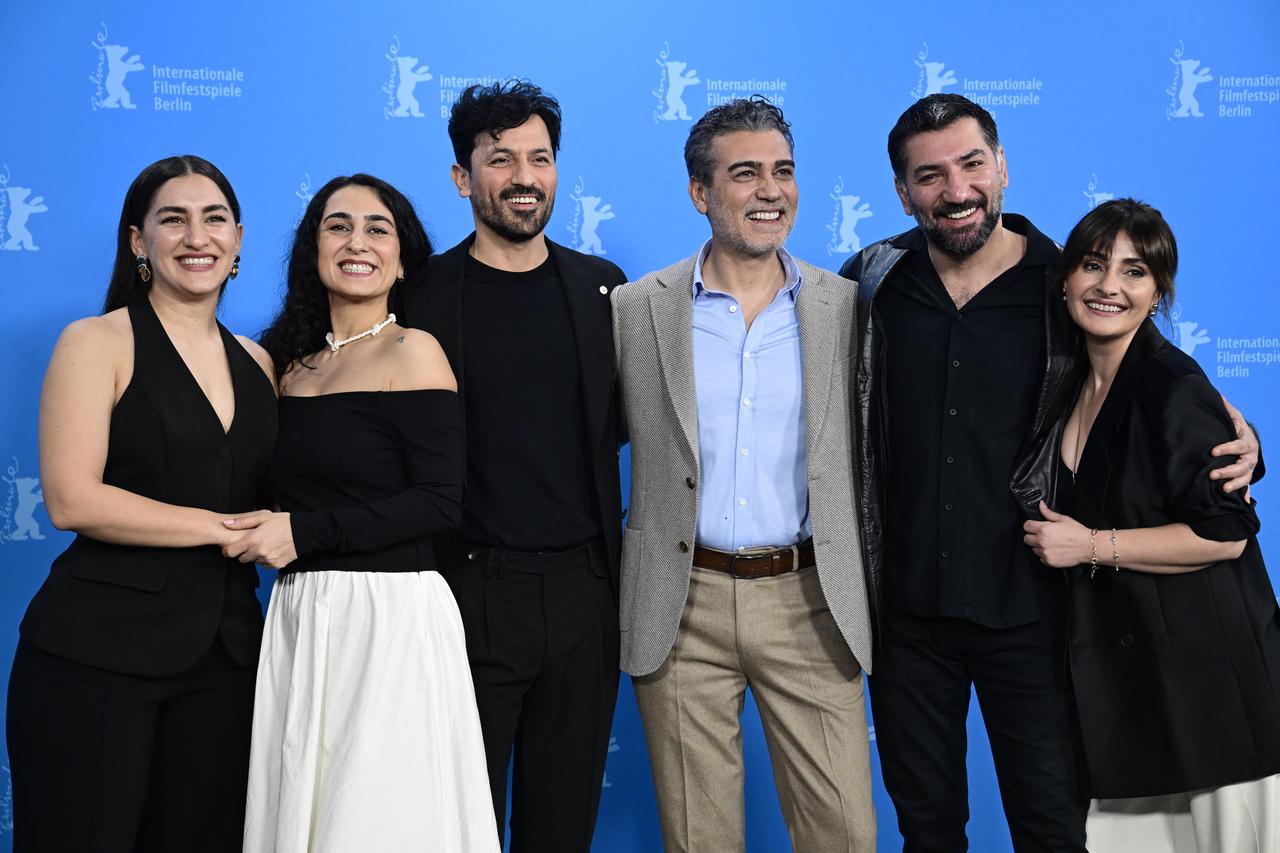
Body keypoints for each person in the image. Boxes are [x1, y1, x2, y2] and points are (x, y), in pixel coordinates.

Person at [839, 94, 1261, 852]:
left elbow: (1143, 379)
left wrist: (1240, 434)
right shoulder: (871, 283)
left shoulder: (1064, 284)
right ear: (904, 191)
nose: (956, 189)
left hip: (1035, 613)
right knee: (926, 828)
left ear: (1001, 167)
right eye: (929, 176)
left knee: (1054, 827)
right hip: (905, 616)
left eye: (972, 164)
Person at [613, 96, 876, 853]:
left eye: (784, 172)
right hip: (680, 604)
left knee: (846, 834)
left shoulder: (850, 306)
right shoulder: (637, 309)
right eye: (746, 173)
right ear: (701, 193)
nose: (771, 189)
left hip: (812, 601)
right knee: (700, 840)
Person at [6, 155, 277, 852]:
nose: (198, 236)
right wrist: (220, 528)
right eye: (173, 219)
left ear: (239, 238)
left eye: (215, 218)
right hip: (96, 653)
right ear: (138, 241)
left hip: (226, 661)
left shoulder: (260, 363)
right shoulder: (95, 342)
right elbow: (70, 498)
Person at [234, 174, 498, 852]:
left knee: (380, 817)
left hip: (391, 620)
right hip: (300, 617)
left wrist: (301, 532)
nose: (358, 242)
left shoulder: (415, 351)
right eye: (338, 225)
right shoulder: (285, 365)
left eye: (377, 228)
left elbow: (440, 502)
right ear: (312, 248)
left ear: (403, 257)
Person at [398, 80, 626, 851]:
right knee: (456, 824)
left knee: (562, 827)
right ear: (464, 178)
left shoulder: (604, 290)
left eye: (540, 157)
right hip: (466, 590)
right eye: (501, 159)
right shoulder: (421, 296)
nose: (524, 176)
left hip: (587, 593)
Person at [1019, 198, 1280, 853]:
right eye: (1093, 265)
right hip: (1127, 699)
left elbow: (1227, 530)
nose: (1109, 286)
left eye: (1135, 272)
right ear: (1065, 279)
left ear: (1158, 291)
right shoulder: (1068, 380)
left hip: (1215, 694)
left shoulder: (1173, 385)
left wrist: (1088, 545)